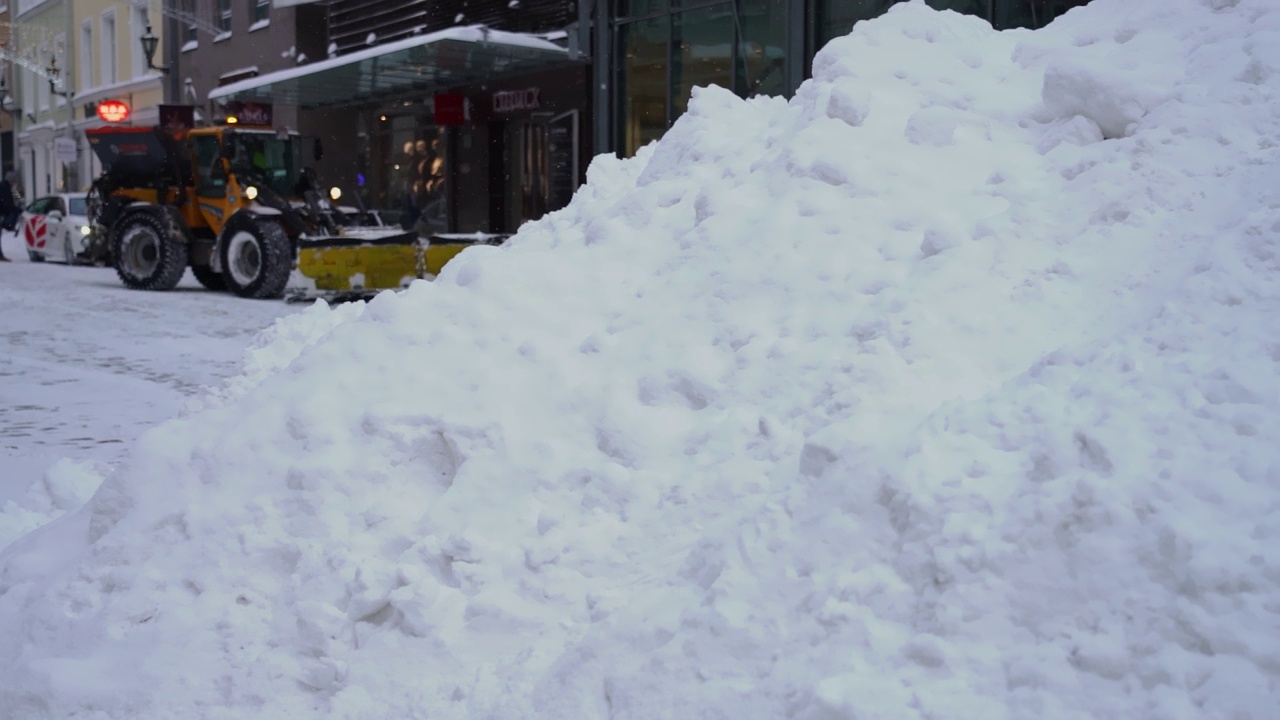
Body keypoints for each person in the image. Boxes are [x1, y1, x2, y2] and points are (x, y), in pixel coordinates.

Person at [0, 171, 20, 261]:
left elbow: (17, 196)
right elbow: (8, 203)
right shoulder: (5, 188)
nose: (15, 183)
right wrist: (16, 210)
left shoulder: (7, 187)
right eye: (14, 181)